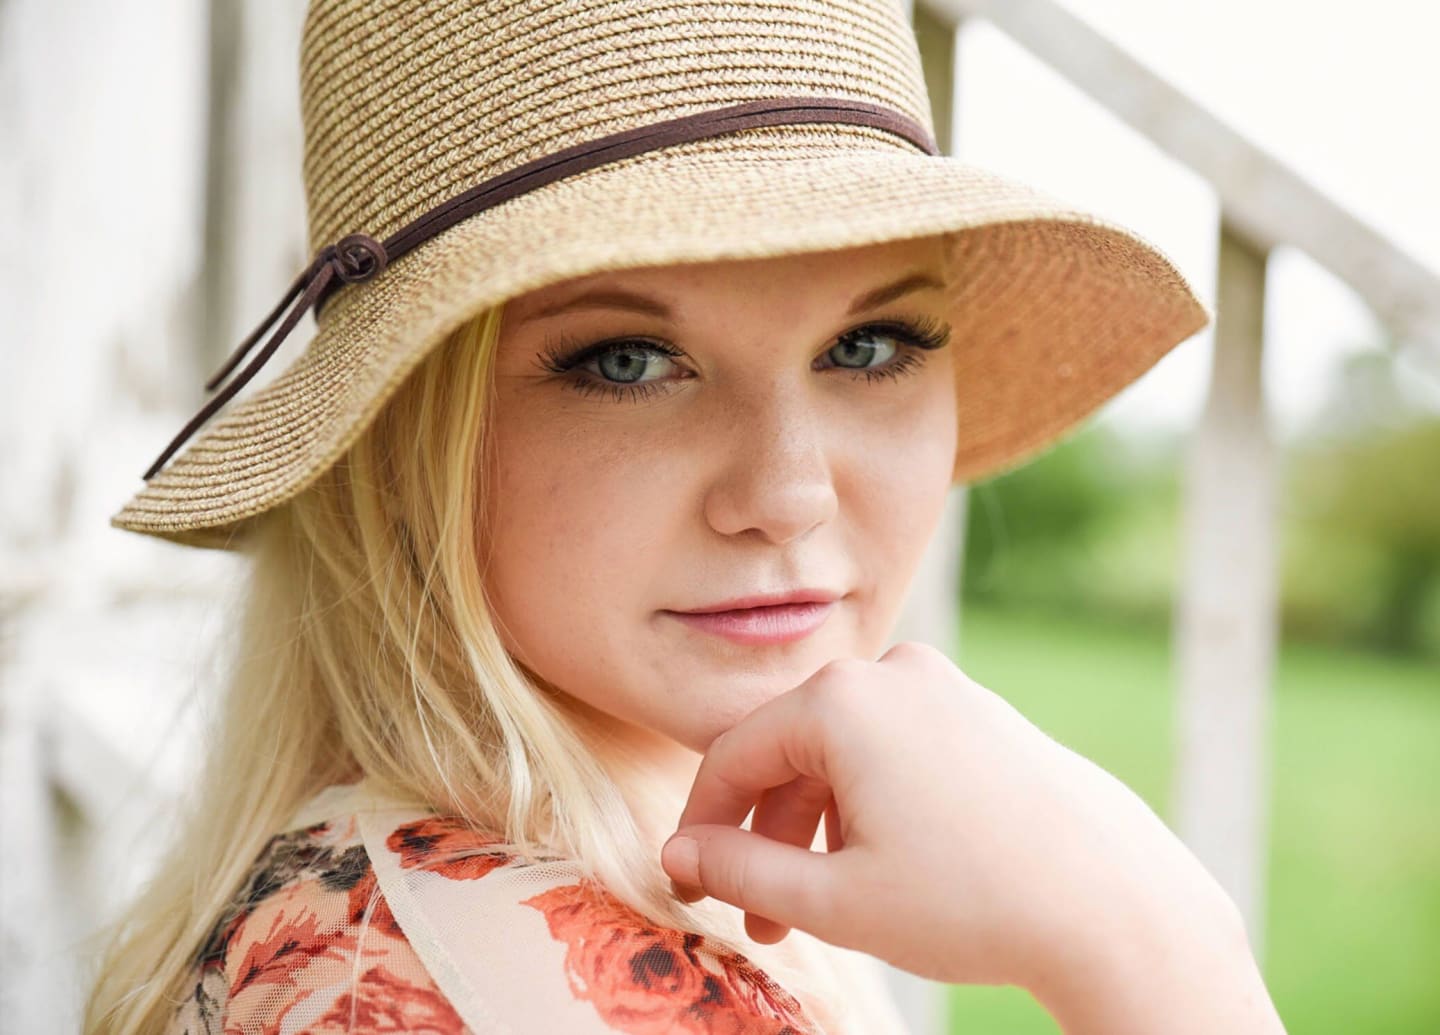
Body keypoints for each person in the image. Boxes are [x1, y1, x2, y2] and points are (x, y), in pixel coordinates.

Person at [85, 0, 1285, 1033]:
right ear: (408, 436)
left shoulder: (475, 886)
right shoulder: (465, 981)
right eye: (626, 362)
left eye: (869, 345)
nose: (788, 494)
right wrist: (1158, 950)